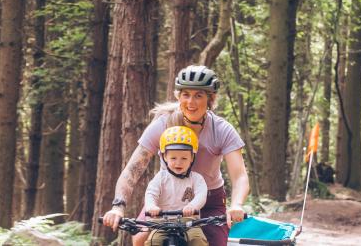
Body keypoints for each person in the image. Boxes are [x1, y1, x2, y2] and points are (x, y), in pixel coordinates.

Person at [102, 65, 250, 246]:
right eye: (186, 95)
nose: (191, 102)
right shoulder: (162, 125)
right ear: (178, 96)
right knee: (140, 238)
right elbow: (132, 170)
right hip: (166, 196)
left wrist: (237, 205)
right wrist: (118, 206)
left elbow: (240, 175)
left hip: (208, 200)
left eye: (198, 95)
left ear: (211, 99)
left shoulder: (221, 129)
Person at [144, 126, 208, 246]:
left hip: (189, 222)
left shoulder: (196, 178)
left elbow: (201, 195)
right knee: (153, 241)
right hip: (162, 222)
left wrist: (192, 206)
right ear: (165, 157)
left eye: (184, 158)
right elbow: (151, 193)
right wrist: (151, 206)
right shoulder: (160, 177)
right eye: (173, 158)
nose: (178, 162)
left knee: (198, 240)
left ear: (192, 158)